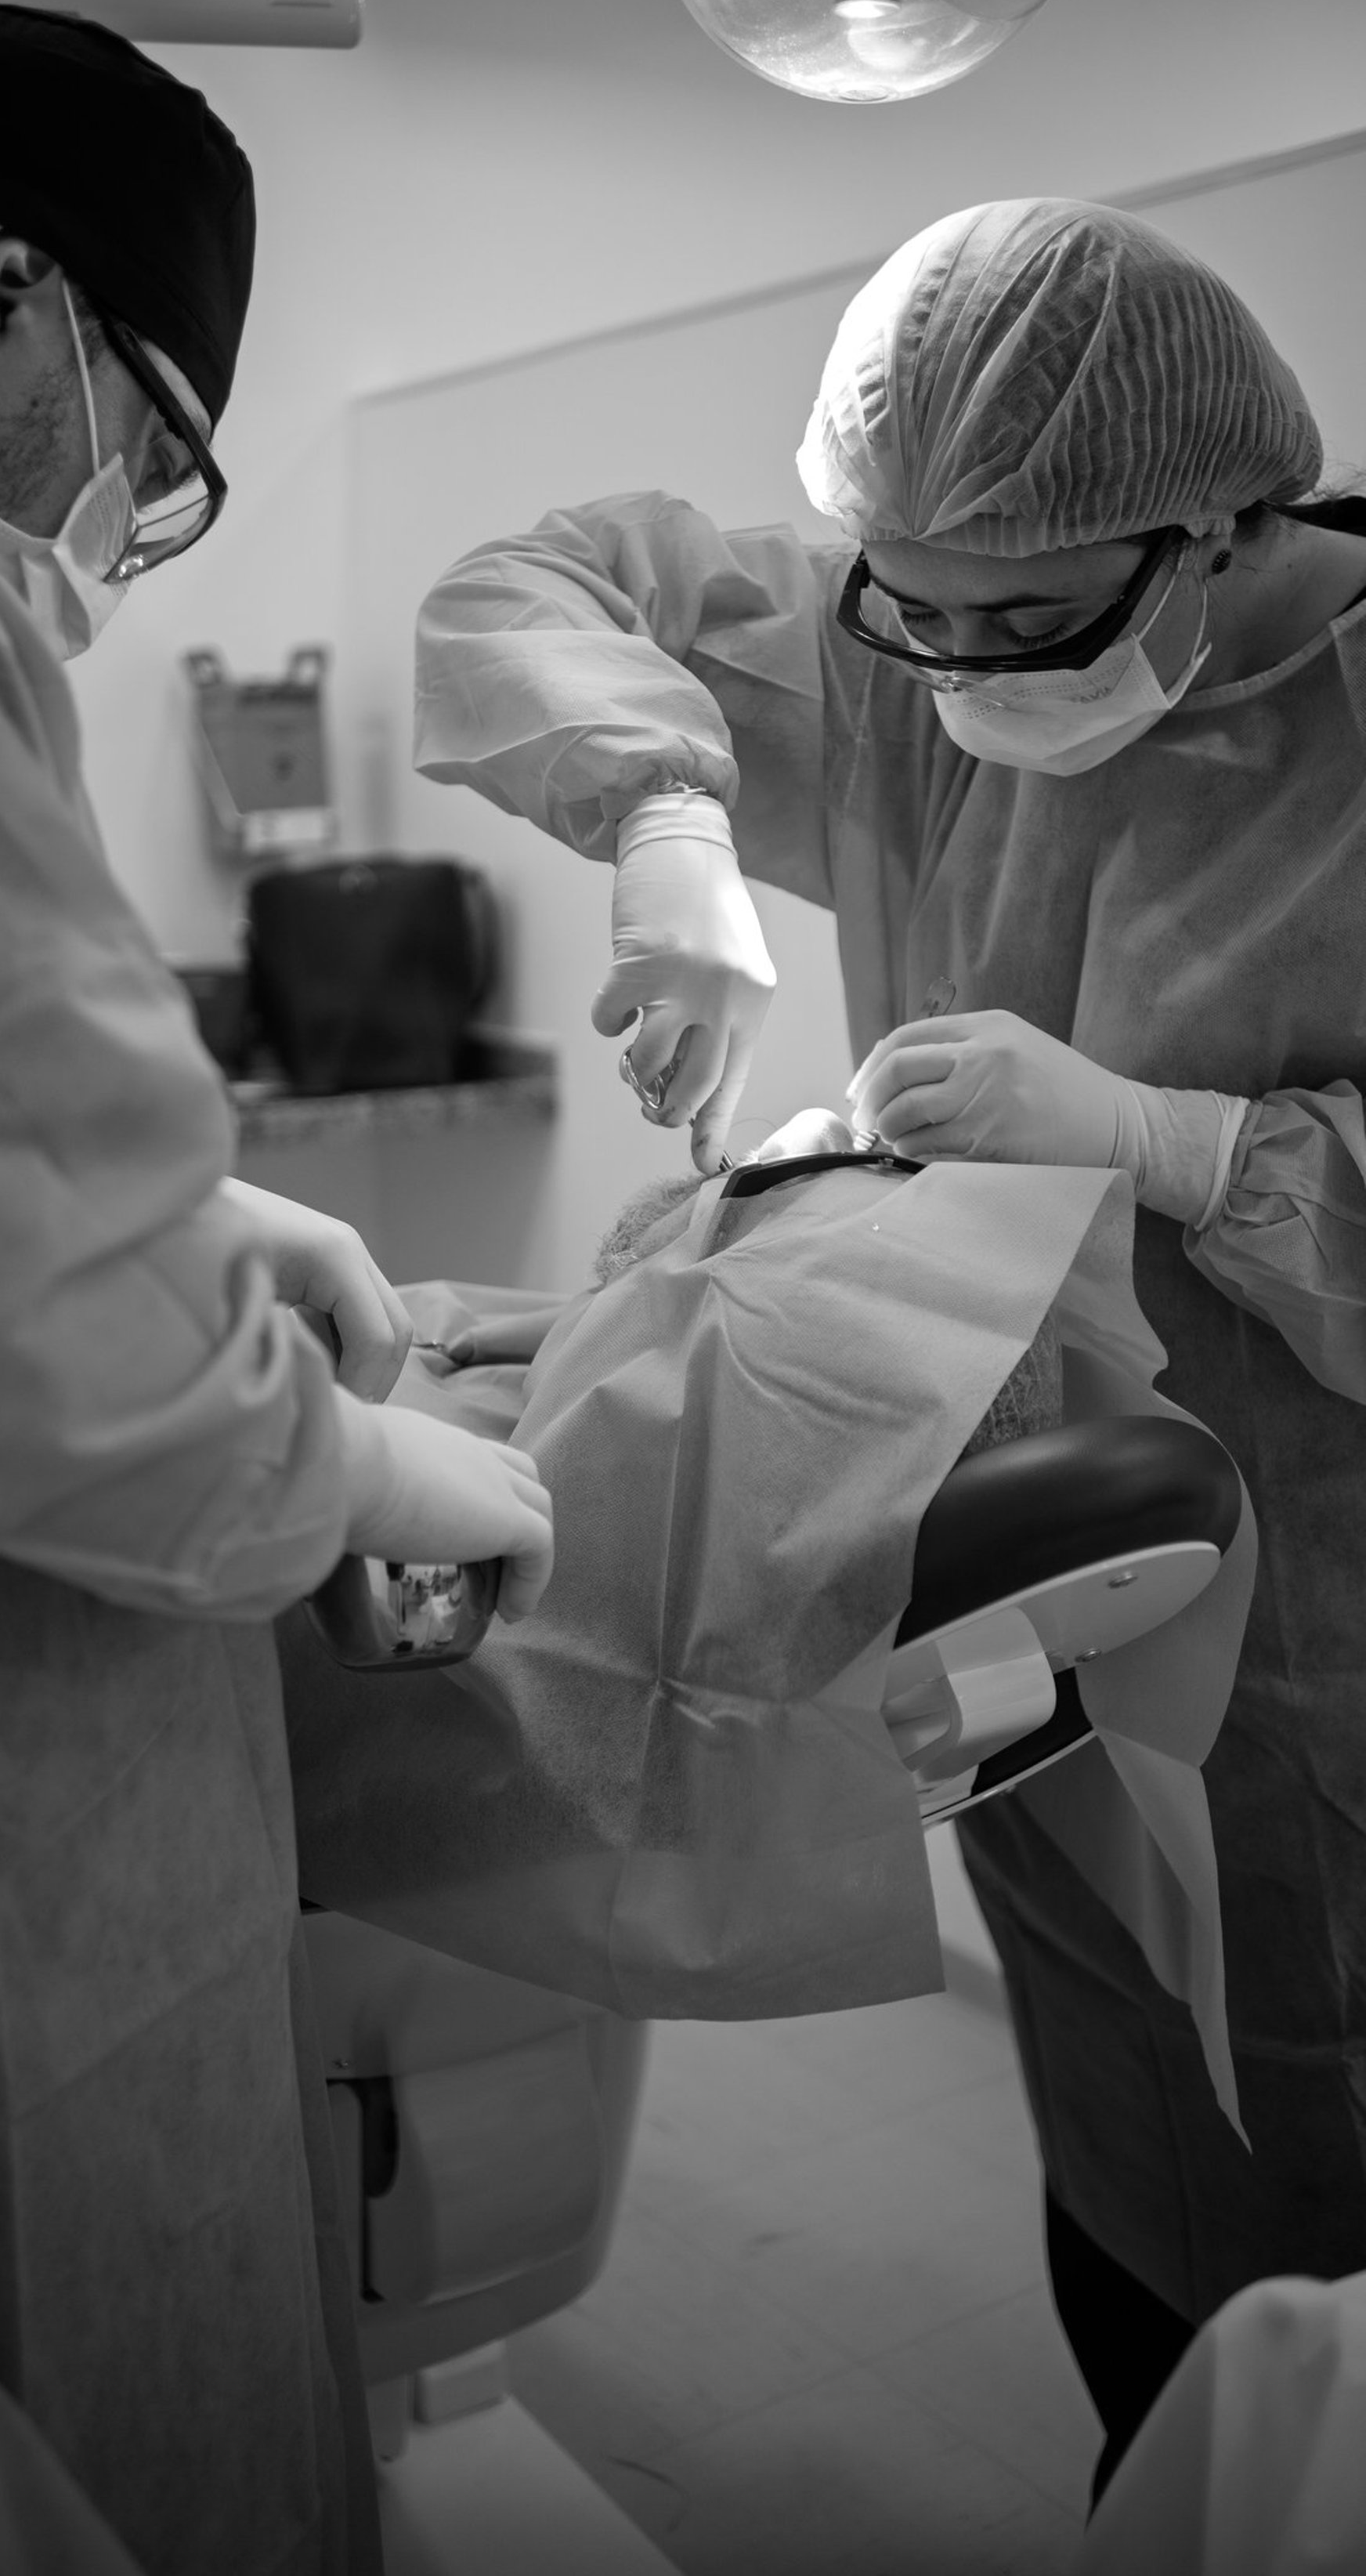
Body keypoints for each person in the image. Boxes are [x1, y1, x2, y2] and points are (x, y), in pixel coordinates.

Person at [413, 194, 1366, 2500]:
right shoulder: (917, 656)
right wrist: (662, 820)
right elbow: (527, 588)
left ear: (1222, 526)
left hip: (1337, 1639)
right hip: (1048, 1617)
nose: (952, 674)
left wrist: (1182, 1140)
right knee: (1138, 2202)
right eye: (902, 611)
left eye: (1019, 618)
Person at [0, 2, 552, 2576]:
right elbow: (63, 1380)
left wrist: (197, 1219)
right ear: (12, 299)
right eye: (154, 455)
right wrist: (357, 1451)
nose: (124, 527)